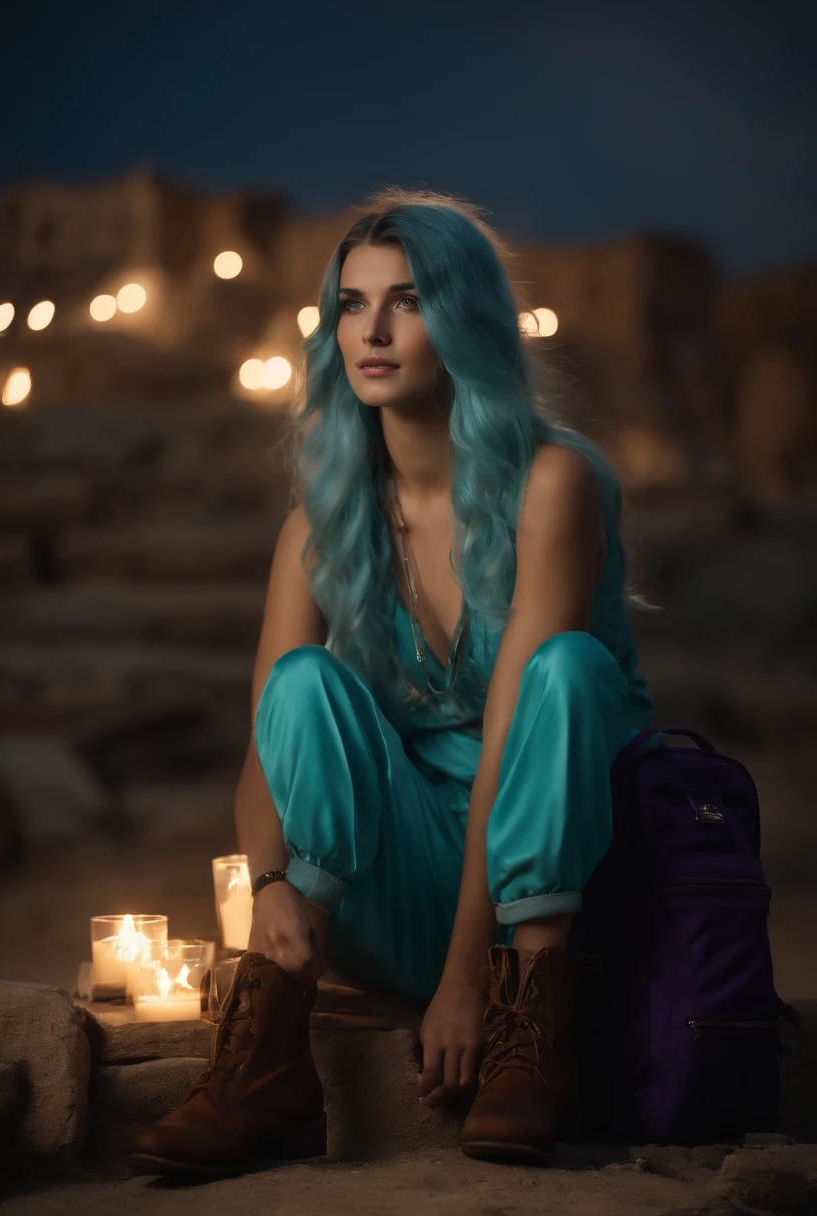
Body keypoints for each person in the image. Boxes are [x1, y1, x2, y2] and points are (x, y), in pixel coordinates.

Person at [129, 187, 660, 1178]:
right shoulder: (318, 530)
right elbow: (266, 750)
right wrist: (273, 886)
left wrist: (469, 977)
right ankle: (263, 1066)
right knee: (301, 683)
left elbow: (516, 725)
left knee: (566, 667)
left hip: (549, 892)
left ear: (462, 319)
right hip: (396, 882)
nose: (370, 330)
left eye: (406, 301)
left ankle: (528, 1034)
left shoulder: (554, 483)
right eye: (349, 302)